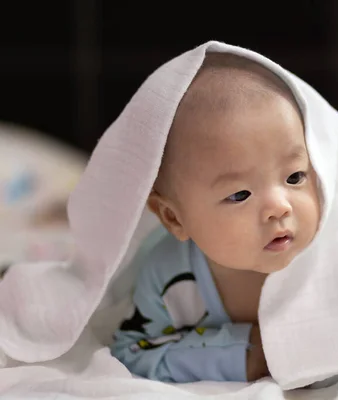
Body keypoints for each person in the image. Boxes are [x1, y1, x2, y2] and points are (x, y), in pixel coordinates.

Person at [110, 52, 321, 383]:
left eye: (294, 177)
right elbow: (132, 351)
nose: (280, 207)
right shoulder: (168, 278)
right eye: (239, 194)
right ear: (174, 218)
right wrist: (244, 353)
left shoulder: (329, 252)